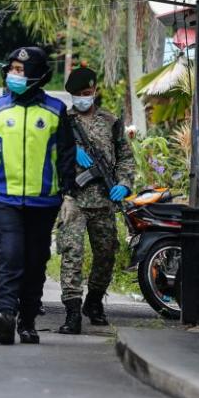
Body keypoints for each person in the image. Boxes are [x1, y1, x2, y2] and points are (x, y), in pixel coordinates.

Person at [0, 47, 76, 345]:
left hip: (45, 202)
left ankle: (27, 321)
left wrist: (69, 195)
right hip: (5, 199)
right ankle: (4, 313)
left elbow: (67, 156)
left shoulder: (55, 111)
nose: (14, 74)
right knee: (10, 256)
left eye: (20, 70)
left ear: (37, 76)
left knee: (35, 262)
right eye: (12, 68)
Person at [57, 63, 135, 334]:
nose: (84, 97)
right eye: (79, 93)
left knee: (106, 254)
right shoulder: (63, 122)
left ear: (95, 91)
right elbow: (50, 156)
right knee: (71, 254)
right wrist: (70, 151)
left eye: (87, 91)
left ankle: (93, 302)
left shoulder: (111, 121)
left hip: (103, 200)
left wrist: (124, 184)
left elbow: (125, 157)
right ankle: (71, 312)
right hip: (73, 199)